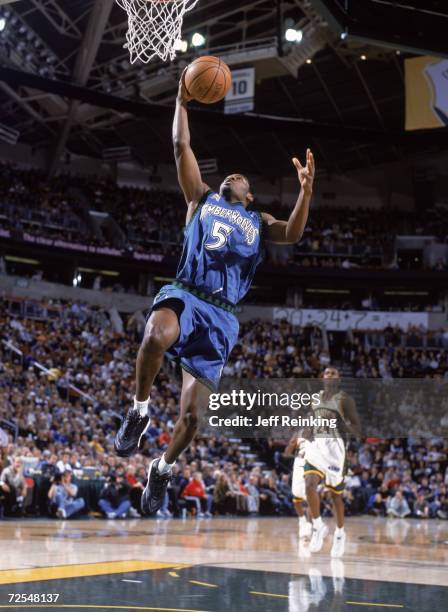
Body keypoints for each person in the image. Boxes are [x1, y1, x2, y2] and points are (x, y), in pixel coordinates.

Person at [114, 72, 315, 516]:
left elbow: (296, 232)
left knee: (193, 418)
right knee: (153, 334)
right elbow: (180, 148)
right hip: (187, 291)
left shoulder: (260, 222)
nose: (235, 175)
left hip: (222, 315)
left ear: (250, 195)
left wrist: (305, 192)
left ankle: (162, 470)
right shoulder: (201, 199)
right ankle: (139, 410)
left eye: (242, 178)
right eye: (232, 174)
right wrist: (183, 102)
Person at [304, 366, 361, 557]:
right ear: (322, 378)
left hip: (335, 449)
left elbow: (357, 430)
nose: (329, 376)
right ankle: (318, 525)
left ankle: (339, 533)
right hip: (317, 446)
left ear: (338, 379)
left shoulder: (345, 400)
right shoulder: (315, 398)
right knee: (309, 484)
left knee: (335, 496)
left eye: (333, 373)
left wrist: (341, 421)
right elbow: (312, 419)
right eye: (326, 373)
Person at [285, 434, 312, 538]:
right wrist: (292, 444)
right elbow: (287, 453)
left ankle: (309, 525)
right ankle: (302, 520)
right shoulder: (299, 434)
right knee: (296, 495)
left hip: (312, 463)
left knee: (309, 495)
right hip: (299, 462)